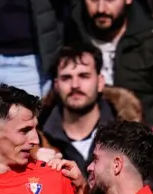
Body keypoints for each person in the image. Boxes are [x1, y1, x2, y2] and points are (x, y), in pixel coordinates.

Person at [42, 44, 118, 176]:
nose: (75, 85)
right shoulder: (37, 139)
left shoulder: (124, 135)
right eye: (66, 78)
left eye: (84, 76)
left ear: (100, 82)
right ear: (56, 86)